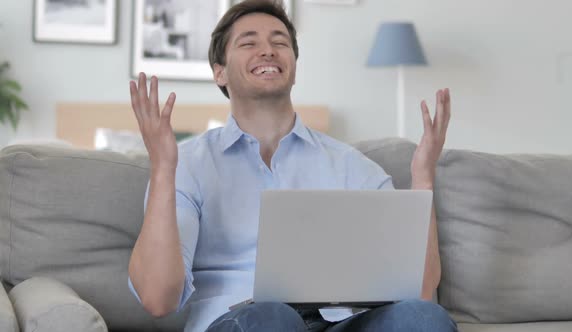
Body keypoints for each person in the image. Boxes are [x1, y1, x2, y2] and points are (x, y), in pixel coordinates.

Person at [127, 0, 456, 331]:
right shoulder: (187, 164)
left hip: (337, 324)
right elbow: (158, 299)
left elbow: (421, 293)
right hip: (246, 322)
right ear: (220, 71)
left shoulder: (351, 166)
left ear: (294, 65)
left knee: (423, 318)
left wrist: (423, 176)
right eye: (249, 42)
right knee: (272, 316)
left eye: (279, 42)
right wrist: (163, 169)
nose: (268, 50)